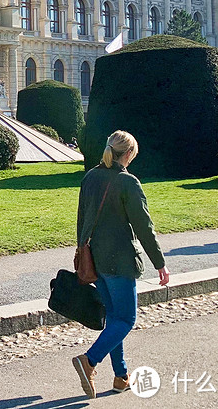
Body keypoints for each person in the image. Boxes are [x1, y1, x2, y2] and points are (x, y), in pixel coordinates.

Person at [72, 131, 169, 398]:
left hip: (95, 258)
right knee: (126, 319)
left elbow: (82, 217)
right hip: (120, 260)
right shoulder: (128, 182)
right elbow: (144, 227)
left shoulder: (90, 176)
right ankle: (89, 360)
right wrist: (160, 262)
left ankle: (121, 376)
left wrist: (82, 250)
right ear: (127, 154)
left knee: (114, 318)